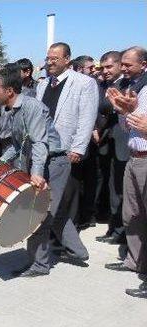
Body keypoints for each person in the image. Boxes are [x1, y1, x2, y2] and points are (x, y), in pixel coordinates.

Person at [0, 69, 69, 277]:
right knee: (48, 213)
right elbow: (18, 145)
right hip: (39, 161)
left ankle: (40, 266)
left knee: (39, 216)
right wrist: (0, 162)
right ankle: (76, 251)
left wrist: (36, 173)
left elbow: (39, 142)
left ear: (9, 91)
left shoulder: (30, 106)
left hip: (53, 163)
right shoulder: (11, 110)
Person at [36, 42, 98, 263]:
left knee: (51, 205)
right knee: (55, 205)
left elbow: (87, 118)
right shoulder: (43, 85)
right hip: (44, 151)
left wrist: (78, 148)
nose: (50, 62)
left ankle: (43, 256)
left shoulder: (84, 83)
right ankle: (76, 249)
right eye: (48, 58)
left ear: (67, 60)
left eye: (55, 58)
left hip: (65, 152)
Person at [104, 46, 147, 280]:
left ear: (144, 64)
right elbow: (128, 128)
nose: (124, 68)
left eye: (128, 64)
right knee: (132, 214)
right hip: (134, 158)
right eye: (123, 64)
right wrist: (123, 112)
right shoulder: (134, 88)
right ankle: (136, 261)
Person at [95, 51, 129, 245]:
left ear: (119, 65)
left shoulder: (127, 85)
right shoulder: (101, 85)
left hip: (123, 143)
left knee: (120, 190)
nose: (105, 71)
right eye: (103, 67)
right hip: (105, 142)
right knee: (111, 189)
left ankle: (121, 232)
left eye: (109, 67)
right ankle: (113, 228)